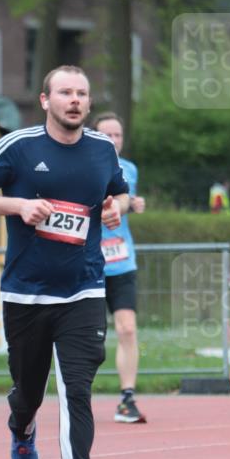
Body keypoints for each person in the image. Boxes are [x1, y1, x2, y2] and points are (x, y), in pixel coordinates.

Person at [0, 65, 129, 459]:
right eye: (65, 92)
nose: (74, 100)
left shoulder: (101, 151)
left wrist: (114, 210)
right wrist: (18, 206)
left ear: (89, 104)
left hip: (84, 289)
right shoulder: (18, 146)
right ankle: (21, 427)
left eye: (82, 93)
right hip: (26, 294)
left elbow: (117, 195)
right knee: (28, 391)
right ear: (45, 100)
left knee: (78, 389)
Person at [92, 112, 147, 424]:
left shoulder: (129, 169)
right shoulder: (82, 165)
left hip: (122, 260)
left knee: (127, 328)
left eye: (118, 135)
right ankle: (76, 395)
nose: (113, 141)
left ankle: (127, 397)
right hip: (89, 263)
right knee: (90, 337)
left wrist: (133, 204)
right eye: (107, 135)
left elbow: (125, 200)